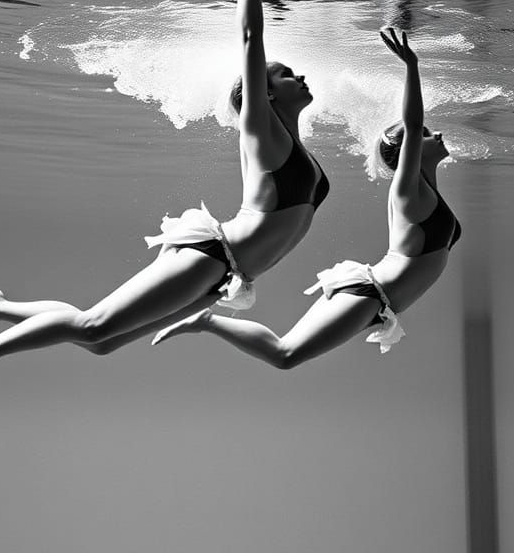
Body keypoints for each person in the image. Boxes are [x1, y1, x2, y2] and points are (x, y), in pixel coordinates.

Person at [0, 0, 329, 391]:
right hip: (211, 258)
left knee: (100, 340)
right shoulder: (261, 131)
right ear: (263, 95)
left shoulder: (299, 147)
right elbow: (250, 37)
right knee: (94, 326)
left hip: (226, 274)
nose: (300, 77)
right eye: (285, 74)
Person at [153, 28, 460, 367]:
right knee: (285, 355)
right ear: (409, 153)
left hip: (378, 300)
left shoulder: (427, 190)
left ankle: (200, 316)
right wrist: (411, 66)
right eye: (428, 135)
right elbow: (413, 126)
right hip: (370, 295)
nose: (438, 134)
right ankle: (207, 321)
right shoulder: (406, 191)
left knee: (287, 355)